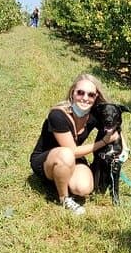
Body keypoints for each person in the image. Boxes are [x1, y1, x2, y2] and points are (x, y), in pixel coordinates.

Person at [30, 73, 121, 215]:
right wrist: (104, 142)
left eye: (91, 95)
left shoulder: (93, 116)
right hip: (47, 160)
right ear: (72, 93)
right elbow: (72, 150)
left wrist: (124, 146)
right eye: (80, 92)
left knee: (83, 188)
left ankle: (61, 179)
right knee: (66, 154)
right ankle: (64, 198)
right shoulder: (58, 115)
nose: (85, 98)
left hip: (72, 159)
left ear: (96, 97)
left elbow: (115, 124)